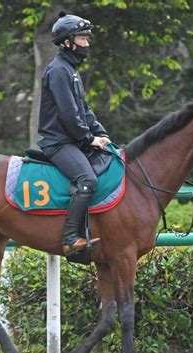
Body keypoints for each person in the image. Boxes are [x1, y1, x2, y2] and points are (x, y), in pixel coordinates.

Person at [37, 11, 111, 256]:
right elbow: (69, 115)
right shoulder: (59, 71)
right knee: (87, 181)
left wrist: (101, 133)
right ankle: (70, 238)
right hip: (59, 143)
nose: (87, 44)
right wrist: (88, 139)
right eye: (82, 39)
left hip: (72, 141)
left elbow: (84, 110)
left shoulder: (70, 70)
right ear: (67, 42)